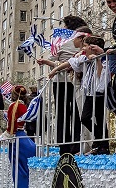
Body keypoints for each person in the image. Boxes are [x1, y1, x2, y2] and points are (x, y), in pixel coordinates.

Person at [49, 35, 110, 154]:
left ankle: (103, 144)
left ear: (92, 48)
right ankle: (99, 140)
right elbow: (69, 63)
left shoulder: (102, 59)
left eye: (86, 46)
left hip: (99, 93)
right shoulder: (84, 58)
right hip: (89, 92)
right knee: (85, 118)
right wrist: (54, 70)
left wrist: (97, 59)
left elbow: (99, 75)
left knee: (99, 118)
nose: (84, 48)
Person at [37, 24, 93, 154]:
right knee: (77, 114)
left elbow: (69, 63)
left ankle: (83, 145)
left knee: (80, 115)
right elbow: (68, 63)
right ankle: (77, 145)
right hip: (74, 83)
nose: (70, 38)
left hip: (78, 84)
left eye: (74, 36)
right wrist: (51, 65)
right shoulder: (77, 51)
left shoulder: (84, 50)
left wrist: (54, 67)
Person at [5, 86, 36, 188]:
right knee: (25, 170)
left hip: (16, 138)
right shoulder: (23, 105)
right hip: (24, 136)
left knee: (18, 169)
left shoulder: (14, 105)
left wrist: (3, 136)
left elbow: (11, 126)